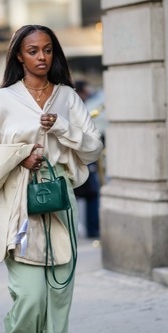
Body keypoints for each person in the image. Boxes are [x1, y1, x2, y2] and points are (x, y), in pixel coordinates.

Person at [0, 24, 103, 333]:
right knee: (29, 300)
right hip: (18, 207)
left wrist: (60, 126)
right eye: (32, 50)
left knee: (58, 308)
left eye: (47, 49)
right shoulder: (2, 100)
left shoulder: (68, 97)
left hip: (59, 203)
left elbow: (93, 148)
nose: (41, 57)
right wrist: (20, 156)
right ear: (19, 57)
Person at [72, 79, 101, 238]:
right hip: (81, 158)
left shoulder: (77, 107)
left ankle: (87, 229)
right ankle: (91, 230)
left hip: (80, 158)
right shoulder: (78, 109)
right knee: (91, 193)